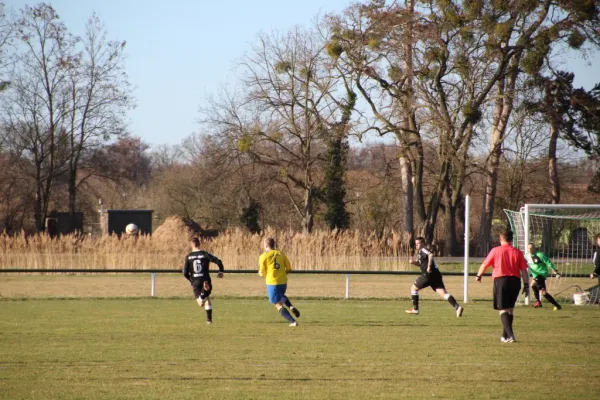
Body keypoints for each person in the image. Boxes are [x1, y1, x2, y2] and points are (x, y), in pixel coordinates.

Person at [476, 229, 529, 343]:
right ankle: (504, 336)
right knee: (510, 309)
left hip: (501, 281)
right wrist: (526, 285)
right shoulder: (518, 252)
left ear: (501, 239)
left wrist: (479, 275)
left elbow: (485, 264)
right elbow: (524, 270)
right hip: (515, 282)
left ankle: (511, 336)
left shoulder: (495, 251)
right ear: (511, 239)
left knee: (502, 309)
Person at [405, 237, 464, 317]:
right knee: (443, 293)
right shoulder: (420, 253)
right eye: (416, 244)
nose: (416, 245)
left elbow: (431, 254)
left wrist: (429, 266)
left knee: (413, 288)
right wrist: (414, 263)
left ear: (422, 243)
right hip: (436, 275)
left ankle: (415, 309)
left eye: (418, 243)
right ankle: (457, 307)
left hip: (428, 275)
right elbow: (421, 264)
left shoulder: (424, 249)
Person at [258, 237, 300, 327]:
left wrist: (260, 273)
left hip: (272, 283)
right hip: (283, 282)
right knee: (281, 296)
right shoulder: (281, 254)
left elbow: (263, 272)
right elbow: (289, 268)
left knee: (278, 304)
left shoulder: (263, 256)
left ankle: (293, 322)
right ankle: (291, 306)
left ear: (265, 245)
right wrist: (282, 274)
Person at [182, 237, 224, 324]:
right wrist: (220, 271)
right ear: (199, 244)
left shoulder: (188, 256)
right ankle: (204, 294)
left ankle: (209, 320)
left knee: (202, 301)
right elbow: (218, 261)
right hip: (205, 279)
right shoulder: (205, 254)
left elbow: (185, 272)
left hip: (195, 281)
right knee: (205, 298)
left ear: (191, 245)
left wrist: (191, 281)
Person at [525, 243, 562, 310]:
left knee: (539, 290)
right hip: (535, 275)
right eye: (528, 248)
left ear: (534, 248)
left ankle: (540, 302)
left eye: (531, 248)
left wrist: (555, 271)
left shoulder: (540, 255)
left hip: (541, 274)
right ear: (527, 249)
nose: (530, 249)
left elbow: (548, 262)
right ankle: (555, 305)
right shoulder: (526, 256)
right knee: (536, 287)